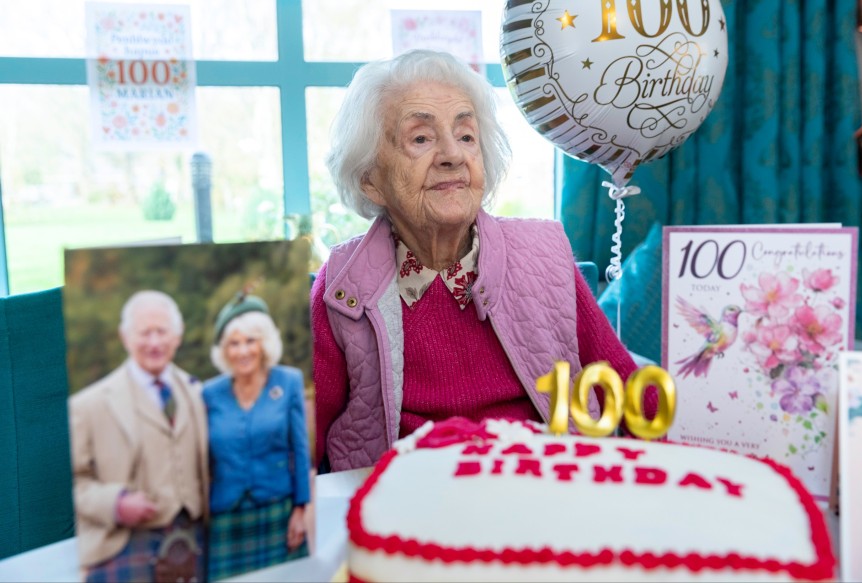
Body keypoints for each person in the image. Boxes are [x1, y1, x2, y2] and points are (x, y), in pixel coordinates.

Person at [311, 49, 657, 473]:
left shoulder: (544, 254)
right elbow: (297, 436)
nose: (452, 155)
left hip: (541, 485)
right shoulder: (342, 286)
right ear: (371, 180)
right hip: (406, 494)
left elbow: (625, 386)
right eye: (420, 138)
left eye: (466, 136)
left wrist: (684, 473)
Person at [68, 290, 208, 583]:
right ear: (125, 337)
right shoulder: (87, 406)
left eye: (162, 331)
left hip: (196, 539)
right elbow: (74, 483)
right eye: (145, 333)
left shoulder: (199, 393)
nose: (154, 343)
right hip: (125, 543)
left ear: (177, 336)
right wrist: (115, 504)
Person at [202, 292, 311, 581]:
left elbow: (300, 451)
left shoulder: (288, 382)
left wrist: (300, 510)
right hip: (226, 515)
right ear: (224, 350)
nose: (243, 351)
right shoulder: (208, 394)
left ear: (264, 344)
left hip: (278, 509)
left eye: (251, 340)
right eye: (234, 343)